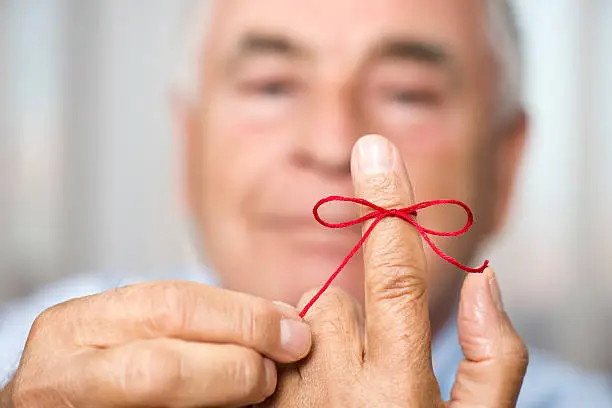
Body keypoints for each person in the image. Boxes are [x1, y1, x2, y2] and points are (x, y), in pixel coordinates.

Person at [1, 0, 611, 406]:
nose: (330, 144)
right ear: (188, 146)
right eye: (272, 86)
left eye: (407, 94)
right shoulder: (24, 360)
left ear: (505, 165)